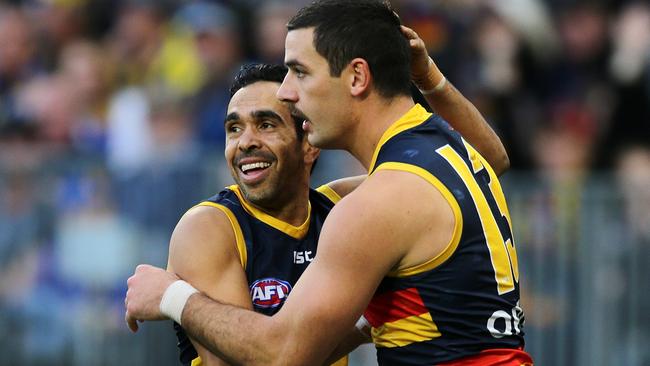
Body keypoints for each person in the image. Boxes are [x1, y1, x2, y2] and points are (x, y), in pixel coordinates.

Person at [125, 1, 531, 365]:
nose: (290, 91)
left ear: (356, 77)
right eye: (234, 128)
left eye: (300, 72)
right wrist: (427, 76)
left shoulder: (374, 203)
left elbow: (282, 355)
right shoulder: (438, 152)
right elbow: (491, 159)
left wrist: (170, 296)